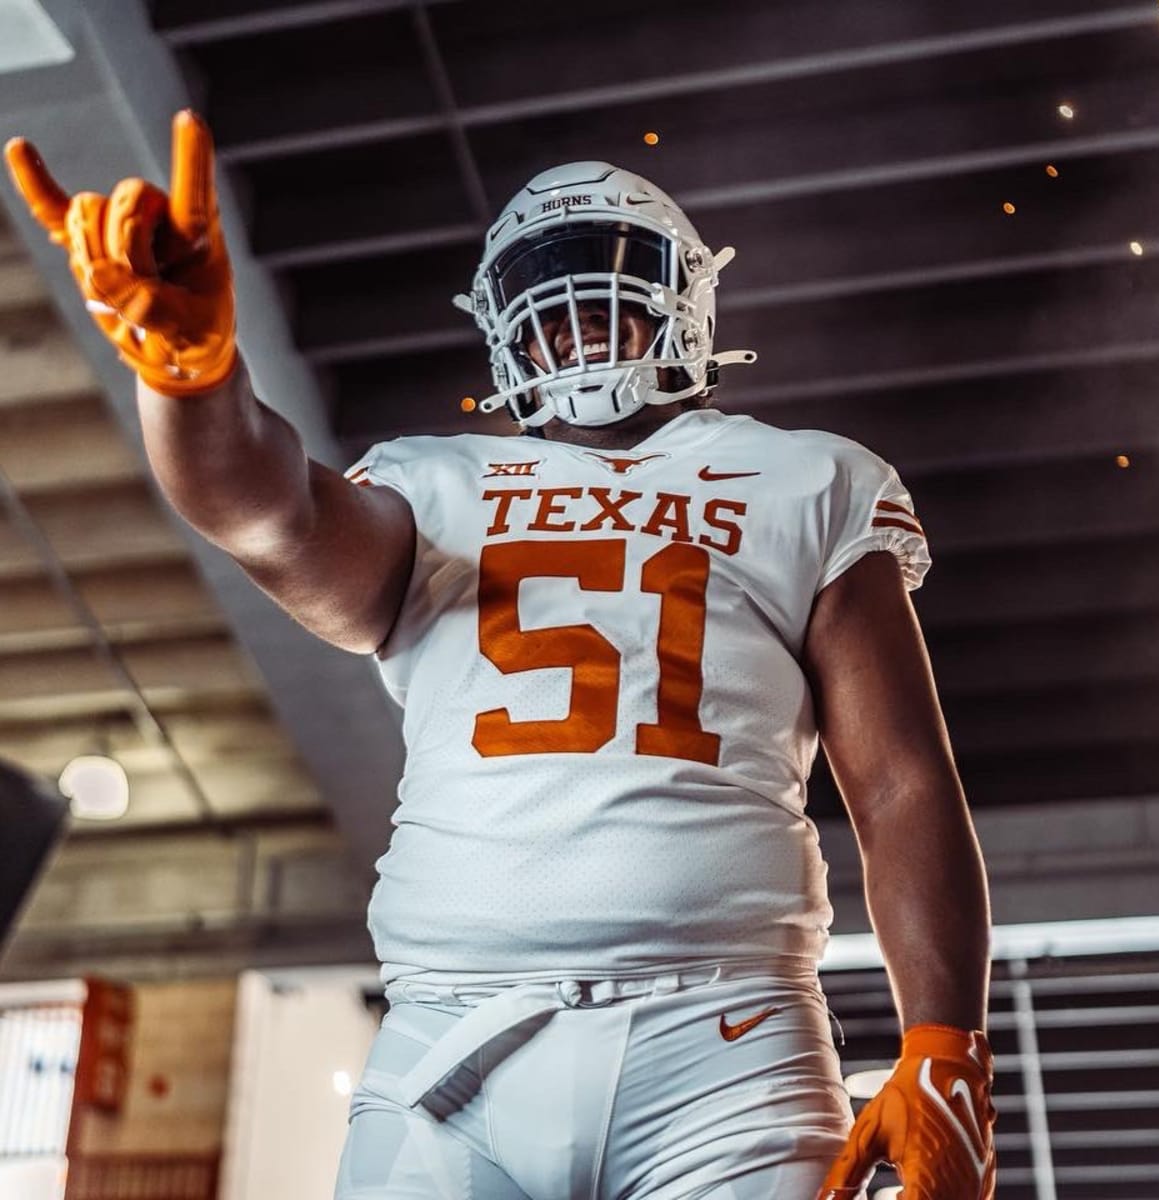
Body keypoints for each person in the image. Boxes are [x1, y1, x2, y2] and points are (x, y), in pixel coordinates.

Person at [5, 110, 996, 1199]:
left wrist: (944, 1041)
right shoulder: (439, 483)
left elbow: (901, 780)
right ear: (503, 332)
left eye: (613, 283)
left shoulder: (805, 475)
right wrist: (193, 378)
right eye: (551, 300)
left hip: (726, 1042)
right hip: (450, 1043)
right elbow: (266, 515)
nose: (580, 323)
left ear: (688, 298)